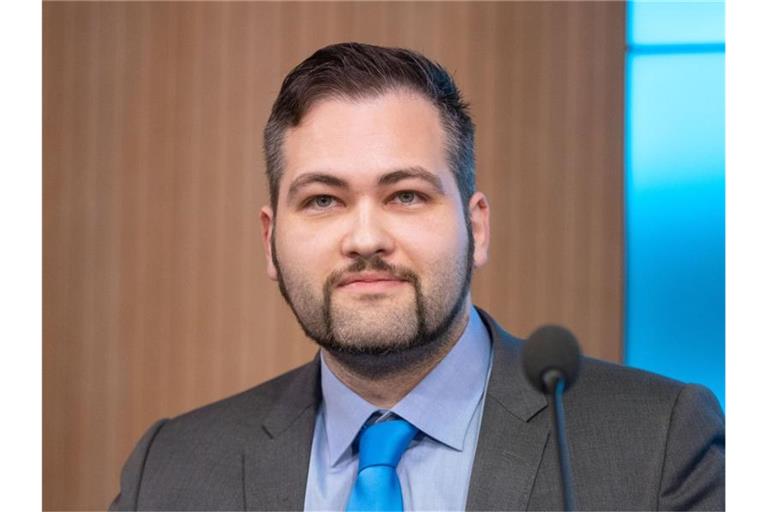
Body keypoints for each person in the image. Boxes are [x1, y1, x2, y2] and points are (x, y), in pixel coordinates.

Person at [110, 42, 725, 511]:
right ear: (270, 241)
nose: (366, 239)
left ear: (475, 227)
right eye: (323, 200)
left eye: (405, 195)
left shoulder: (660, 445)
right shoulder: (170, 471)